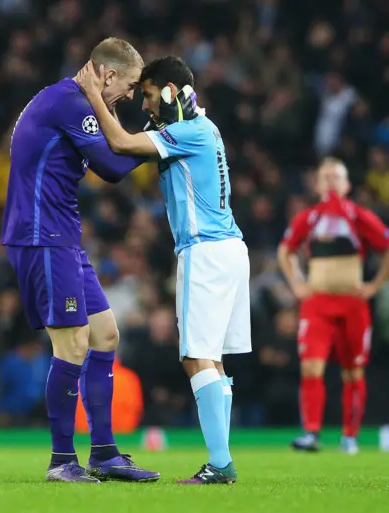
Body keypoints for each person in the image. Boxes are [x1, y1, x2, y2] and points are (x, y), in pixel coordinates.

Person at [76, 55, 251, 485]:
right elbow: (129, 146)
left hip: (205, 251)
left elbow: (119, 144)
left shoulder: (188, 132)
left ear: (170, 92)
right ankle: (221, 460)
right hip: (231, 249)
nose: (146, 105)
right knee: (214, 360)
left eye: (150, 95)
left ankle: (220, 464)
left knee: (195, 356)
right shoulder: (204, 128)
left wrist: (95, 96)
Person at [2, 37, 161, 483]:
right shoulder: (70, 103)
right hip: (41, 236)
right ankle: (60, 461)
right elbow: (112, 168)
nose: (129, 96)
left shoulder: (70, 101)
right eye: (127, 85)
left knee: (105, 335)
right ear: (106, 74)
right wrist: (163, 142)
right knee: (71, 344)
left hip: (61, 236)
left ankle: (105, 453)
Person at [277, 158, 389, 454]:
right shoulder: (308, 218)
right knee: (311, 367)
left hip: (352, 305)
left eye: (336, 177)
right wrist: (297, 285)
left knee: (353, 372)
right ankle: (311, 433)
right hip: (317, 304)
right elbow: (285, 251)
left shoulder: (358, 216)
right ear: (316, 184)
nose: (331, 183)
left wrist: (374, 286)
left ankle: (350, 436)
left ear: (347, 185)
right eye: (325, 177)